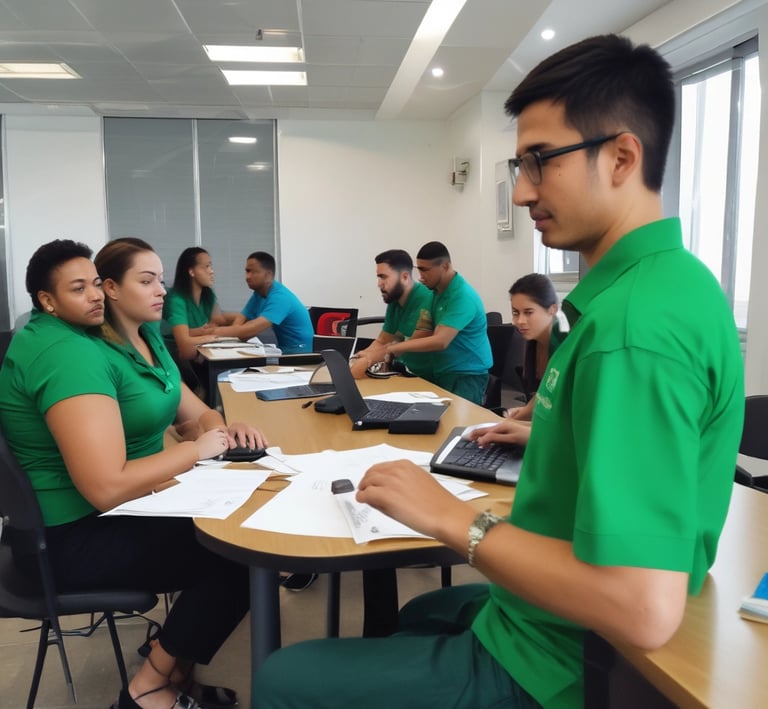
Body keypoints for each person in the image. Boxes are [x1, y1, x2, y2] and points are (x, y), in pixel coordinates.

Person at [252, 34, 744, 709]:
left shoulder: (633, 331)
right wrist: (551, 437)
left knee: (283, 677)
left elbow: (642, 606)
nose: (519, 192)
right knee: (421, 615)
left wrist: (455, 523)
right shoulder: (666, 286)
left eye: (540, 162)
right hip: (544, 618)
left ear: (623, 156)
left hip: (558, 658)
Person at [0, 238, 267, 709]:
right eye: (79, 288)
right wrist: (196, 450)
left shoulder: (112, 339)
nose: (95, 297)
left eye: (93, 285)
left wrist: (208, 435)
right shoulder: (67, 352)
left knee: (236, 533)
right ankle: (148, 688)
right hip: (67, 540)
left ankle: (171, 671)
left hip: (97, 517)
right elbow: (105, 487)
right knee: (238, 553)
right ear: (47, 300)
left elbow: (195, 413)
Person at [384, 241, 492, 405]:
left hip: (466, 375)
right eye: (418, 269)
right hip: (443, 372)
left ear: (446, 266)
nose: (421, 276)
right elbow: (424, 329)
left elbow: (440, 341)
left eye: (425, 270)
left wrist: (397, 348)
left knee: (460, 427)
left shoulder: (462, 296)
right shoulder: (435, 293)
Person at [161, 246, 238, 396]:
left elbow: (219, 319)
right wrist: (210, 337)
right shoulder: (177, 299)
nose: (212, 271)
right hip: (178, 359)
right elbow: (183, 344)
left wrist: (244, 317)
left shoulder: (207, 295)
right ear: (191, 271)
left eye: (211, 266)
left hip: (197, 353)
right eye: (207, 267)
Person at [350, 249, 433, 380]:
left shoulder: (426, 300)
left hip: (440, 378)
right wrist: (357, 358)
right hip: (412, 374)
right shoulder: (395, 300)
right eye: (378, 277)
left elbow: (408, 346)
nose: (379, 284)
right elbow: (382, 341)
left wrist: (368, 360)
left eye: (384, 277)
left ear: (405, 277)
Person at [214, 251, 313, 353]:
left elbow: (251, 329)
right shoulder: (259, 293)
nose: (247, 277)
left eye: (253, 272)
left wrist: (211, 332)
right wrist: (229, 338)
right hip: (284, 351)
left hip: (300, 354)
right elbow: (241, 321)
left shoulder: (280, 298)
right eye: (247, 271)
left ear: (268, 276)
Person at [503, 273, 564, 421]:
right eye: (515, 313)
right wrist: (522, 413)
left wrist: (514, 423)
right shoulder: (534, 340)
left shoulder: (564, 340)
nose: (520, 321)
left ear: (552, 309)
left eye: (528, 312)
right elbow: (542, 394)